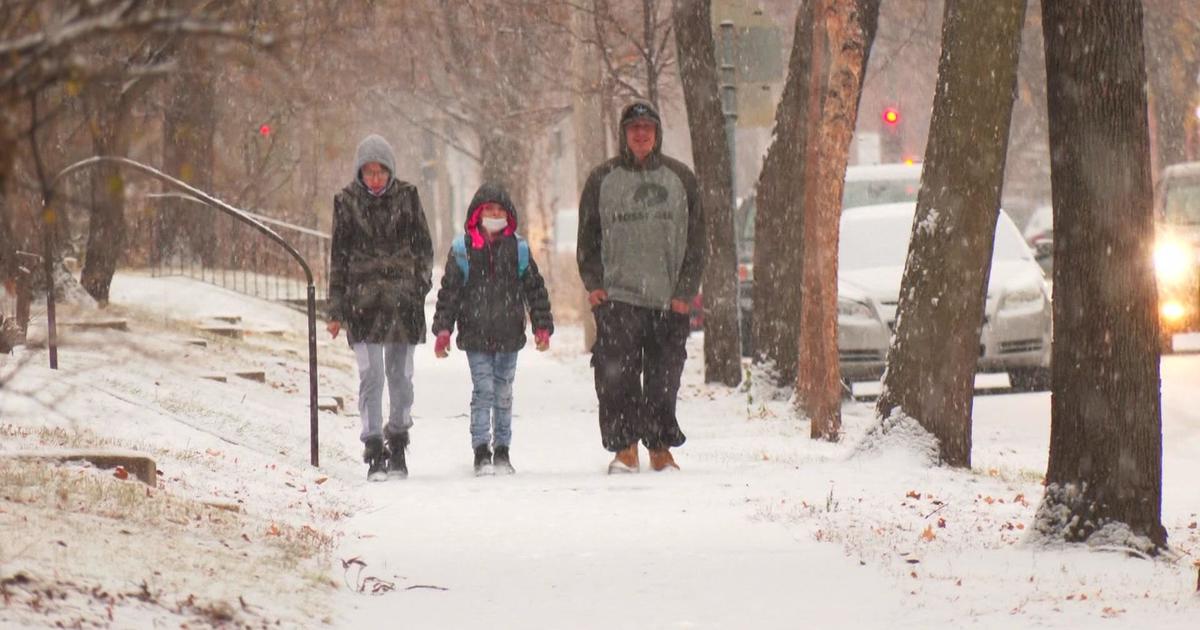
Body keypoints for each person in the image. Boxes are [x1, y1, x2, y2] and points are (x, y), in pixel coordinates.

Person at [576, 101, 705, 474]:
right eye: (634, 127)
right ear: (624, 133)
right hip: (619, 298)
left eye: (647, 127)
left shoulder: (681, 179)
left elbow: (697, 242)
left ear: (657, 132)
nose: (641, 134)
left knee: (664, 379)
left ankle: (660, 448)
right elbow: (588, 237)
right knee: (617, 379)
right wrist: (595, 285)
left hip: (669, 301)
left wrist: (685, 292)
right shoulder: (602, 180)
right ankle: (625, 449)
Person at [327, 134, 433, 481]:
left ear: (390, 171)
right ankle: (373, 446)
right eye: (369, 172)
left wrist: (418, 287)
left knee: (400, 377)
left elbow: (423, 249)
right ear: (360, 172)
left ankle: (398, 437)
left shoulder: (408, 197)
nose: (375, 179)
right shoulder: (345, 203)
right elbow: (339, 259)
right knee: (370, 376)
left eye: (380, 172)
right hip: (363, 303)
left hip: (403, 302)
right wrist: (336, 309)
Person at [431, 183, 553, 476]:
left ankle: (502, 449)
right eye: (489, 209)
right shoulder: (463, 250)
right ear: (477, 213)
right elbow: (450, 293)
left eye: (499, 210)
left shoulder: (518, 249)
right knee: (483, 390)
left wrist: (542, 326)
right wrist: (443, 330)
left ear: (508, 215)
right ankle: (480, 450)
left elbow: (534, 289)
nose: (494, 214)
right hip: (475, 335)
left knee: (504, 392)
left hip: (509, 334)